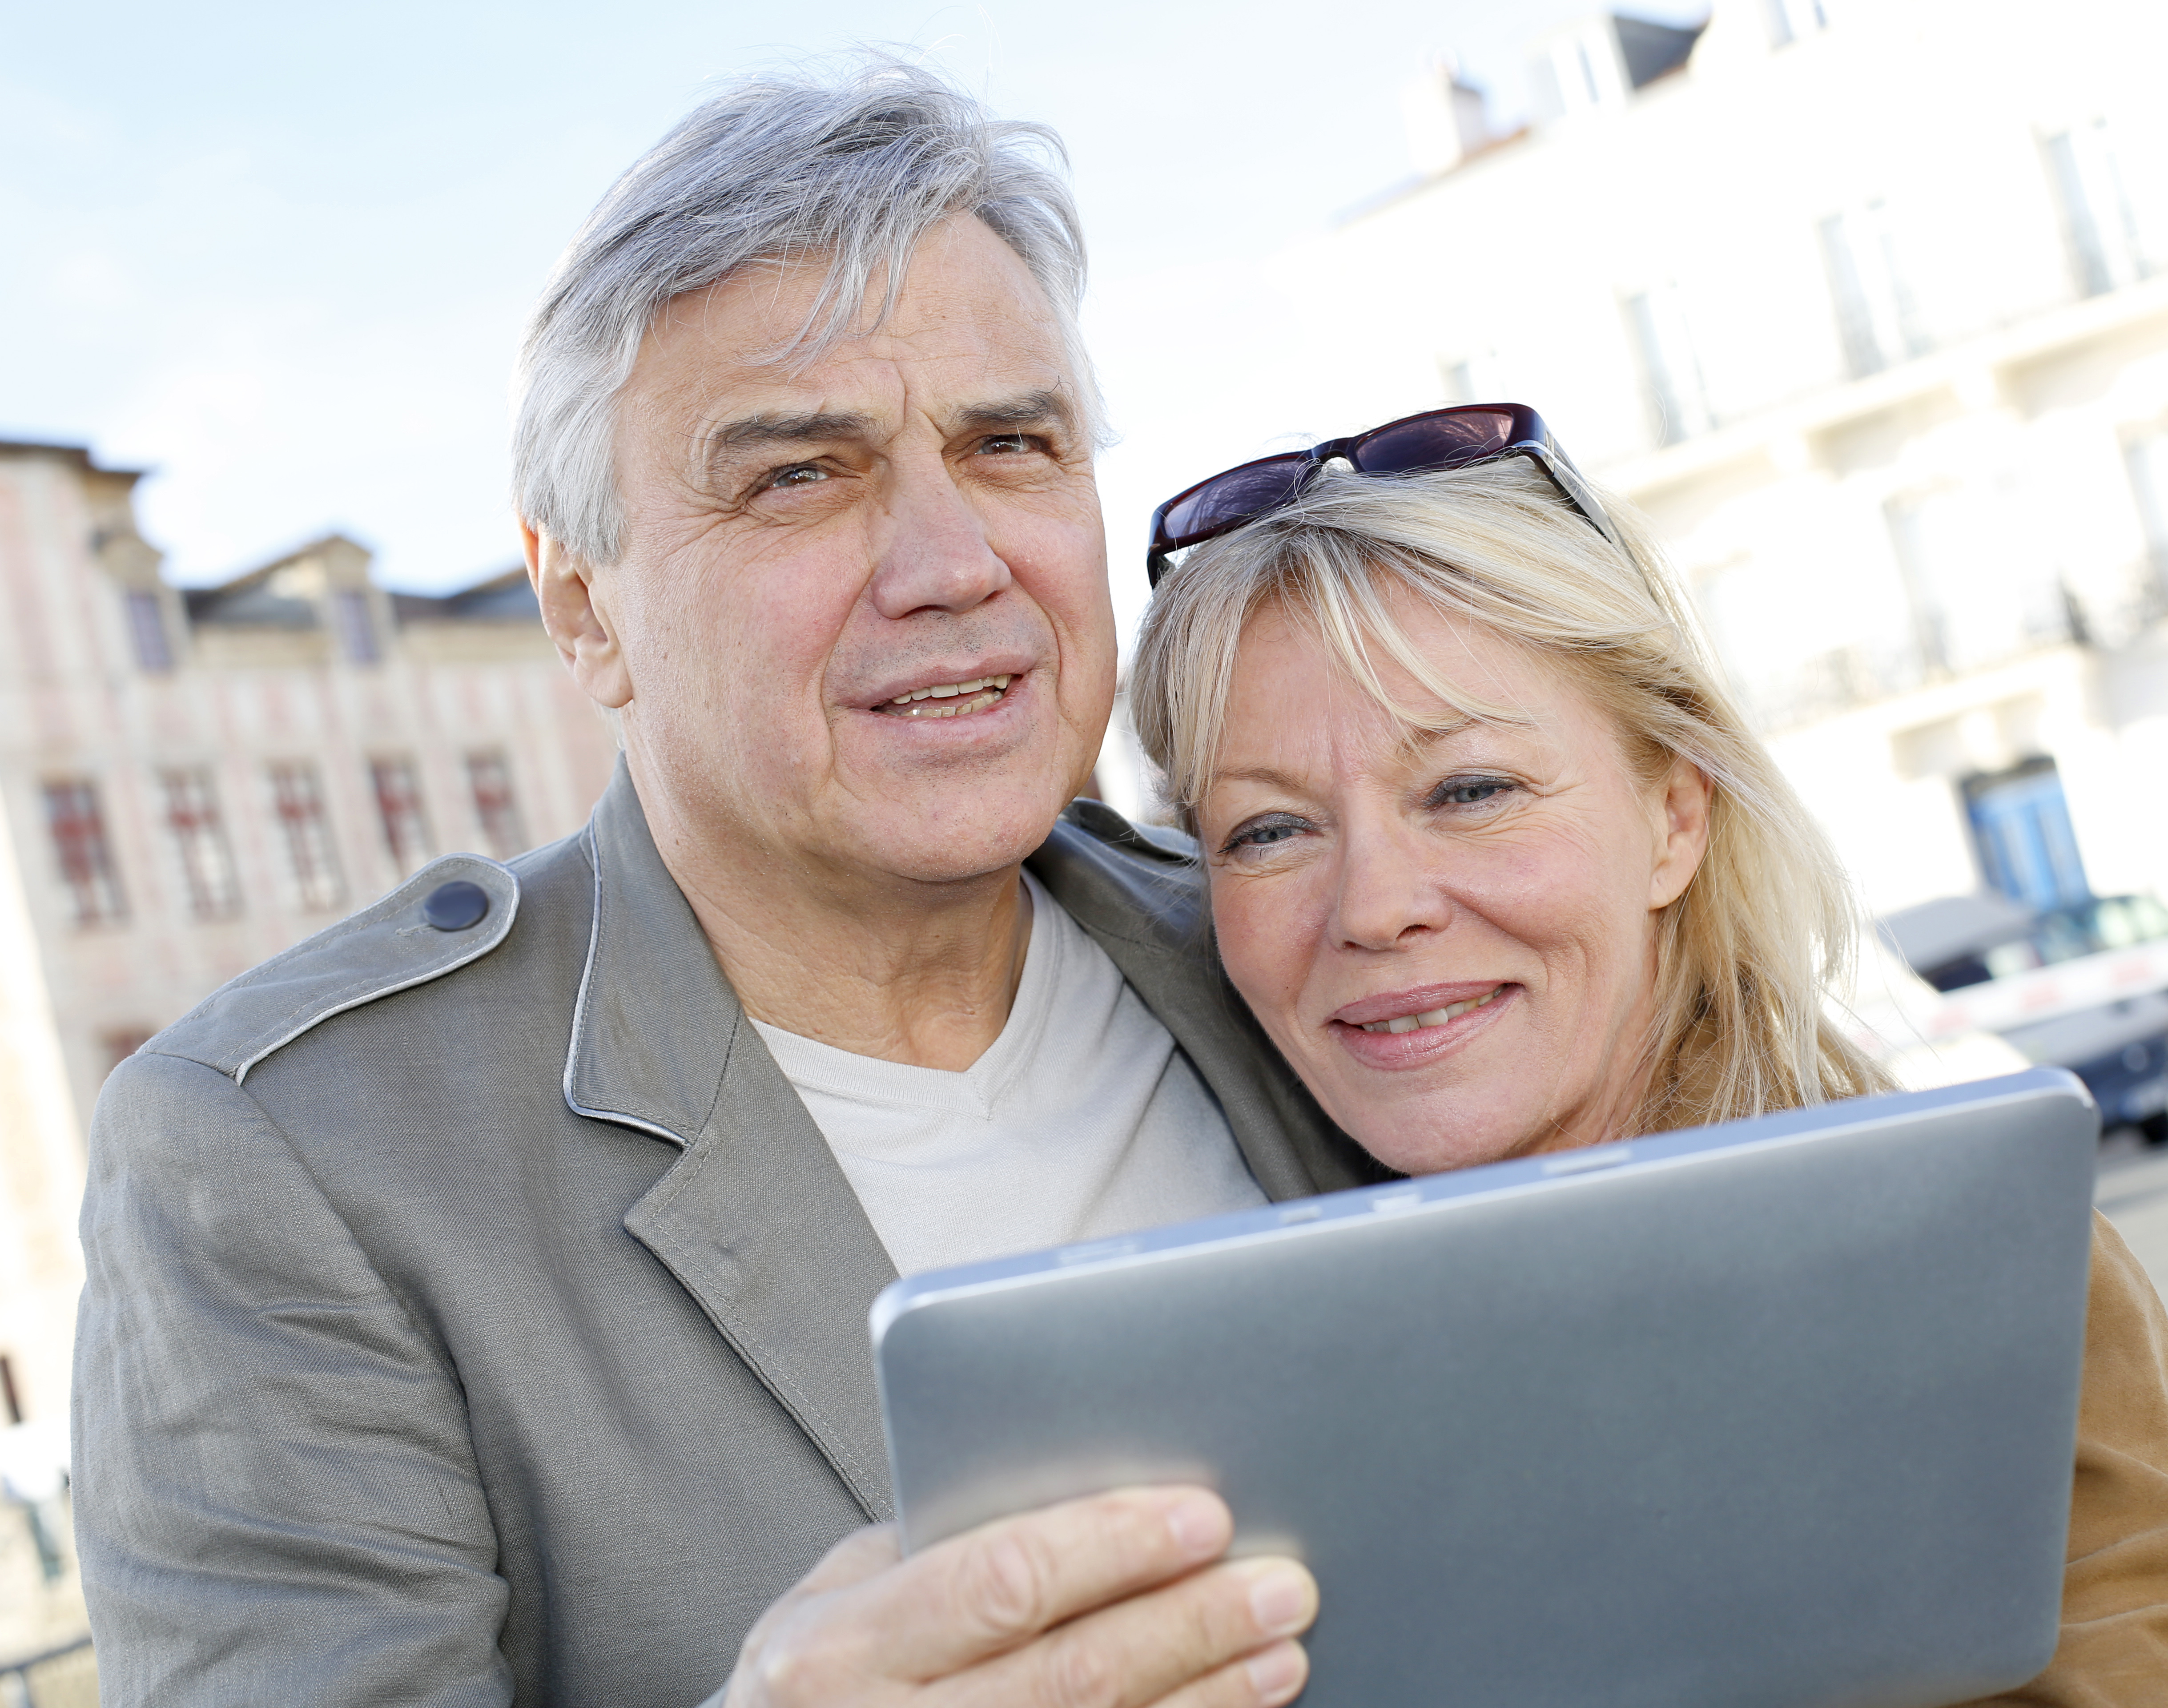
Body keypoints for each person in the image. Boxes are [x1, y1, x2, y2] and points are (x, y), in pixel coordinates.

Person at [74, 64, 1368, 1708]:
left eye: (1012, 443)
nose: (954, 562)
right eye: (798, 476)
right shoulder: (292, 1161)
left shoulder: (1303, 950)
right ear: (583, 607)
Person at [1127, 407, 2168, 1705]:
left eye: (1472, 790)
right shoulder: (1218, 1349)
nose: (1374, 905)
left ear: (1673, 816)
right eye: (1269, 832)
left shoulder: (1963, 1268)